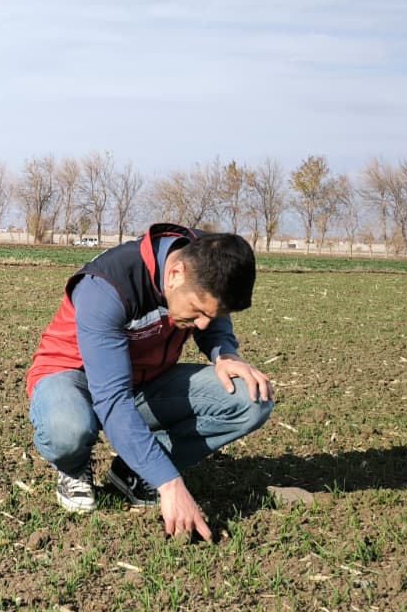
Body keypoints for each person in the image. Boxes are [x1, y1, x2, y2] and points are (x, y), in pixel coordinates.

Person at [27, 224, 275, 542]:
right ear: (175, 274)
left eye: (210, 316)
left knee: (252, 398)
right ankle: (75, 468)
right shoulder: (107, 285)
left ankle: (132, 471)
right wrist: (170, 483)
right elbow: (112, 399)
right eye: (198, 312)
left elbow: (213, 316)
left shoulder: (204, 259)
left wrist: (224, 351)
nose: (202, 324)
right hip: (74, 377)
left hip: (144, 381)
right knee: (68, 429)